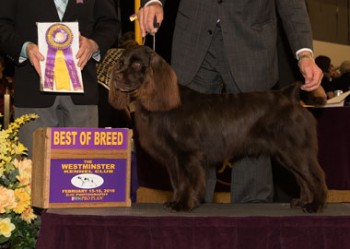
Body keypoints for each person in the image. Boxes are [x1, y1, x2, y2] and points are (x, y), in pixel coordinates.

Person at [136, 0, 323, 204]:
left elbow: (292, 4)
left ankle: (252, 214)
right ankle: (192, 208)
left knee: (257, 132)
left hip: (252, 41)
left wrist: (304, 54)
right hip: (193, 39)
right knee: (187, 138)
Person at [0, 0, 120, 158]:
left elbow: (109, 22)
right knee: (33, 175)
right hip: (33, 94)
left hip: (83, 94)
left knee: (83, 174)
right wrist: (25, 48)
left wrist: (94, 44)